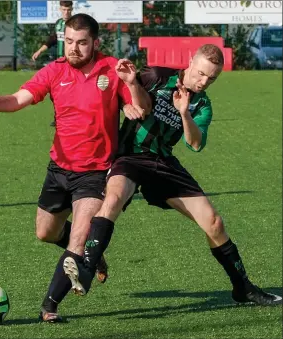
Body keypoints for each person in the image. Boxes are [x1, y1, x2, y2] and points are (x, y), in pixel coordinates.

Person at [0, 13, 152, 321]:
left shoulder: (112, 70)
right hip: (59, 169)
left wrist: (132, 86)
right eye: (69, 42)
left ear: (95, 43)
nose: (74, 49)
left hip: (95, 172)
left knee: (76, 240)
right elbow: (18, 99)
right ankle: (92, 255)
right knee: (46, 233)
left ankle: (50, 305)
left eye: (82, 43)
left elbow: (141, 108)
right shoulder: (54, 71)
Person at [63, 44, 282, 306]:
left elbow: (195, 144)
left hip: (163, 162)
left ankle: (243, 289)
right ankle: (86, 269)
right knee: (113, 200)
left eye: (212, 78)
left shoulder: (202, 104)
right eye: (201, 73)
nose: (204, 82)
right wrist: (125, 105)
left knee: (214, 223)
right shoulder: (157, 76)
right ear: (190, 62)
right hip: (130, 157)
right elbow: (120, 92)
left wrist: (184, 113)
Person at [31, 1, 73, 127]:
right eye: (64, 9)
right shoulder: (59, 23)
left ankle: (73, 116)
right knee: (55, 90)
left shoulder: (75, 24)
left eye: (68, 10)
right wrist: (39, 51)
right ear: (60, 9)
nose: (66, 12)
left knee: (71, 90)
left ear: (72, 9)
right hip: (60, 64)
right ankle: (58, 117)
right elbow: (52, 40)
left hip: (72, 63)